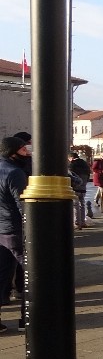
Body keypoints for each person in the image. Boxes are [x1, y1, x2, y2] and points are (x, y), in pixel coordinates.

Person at [0, 138, 29, 333]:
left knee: (2, 274)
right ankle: (27, 319)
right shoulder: (15, 173)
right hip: (14, 229)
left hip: (2, 229)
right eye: (23, 149)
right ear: (13, 152)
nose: (27, 152)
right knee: (30, 273)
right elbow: (23, 205)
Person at [68, 151, 90, 229]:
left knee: (75, 205)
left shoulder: (71, 165)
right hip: (83, 187)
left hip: (75, 187)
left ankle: (77, 223)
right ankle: (83, 222)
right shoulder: (85, 164)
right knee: (82, 204)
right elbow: (88, 175)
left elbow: (70, 176)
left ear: (71, 158)